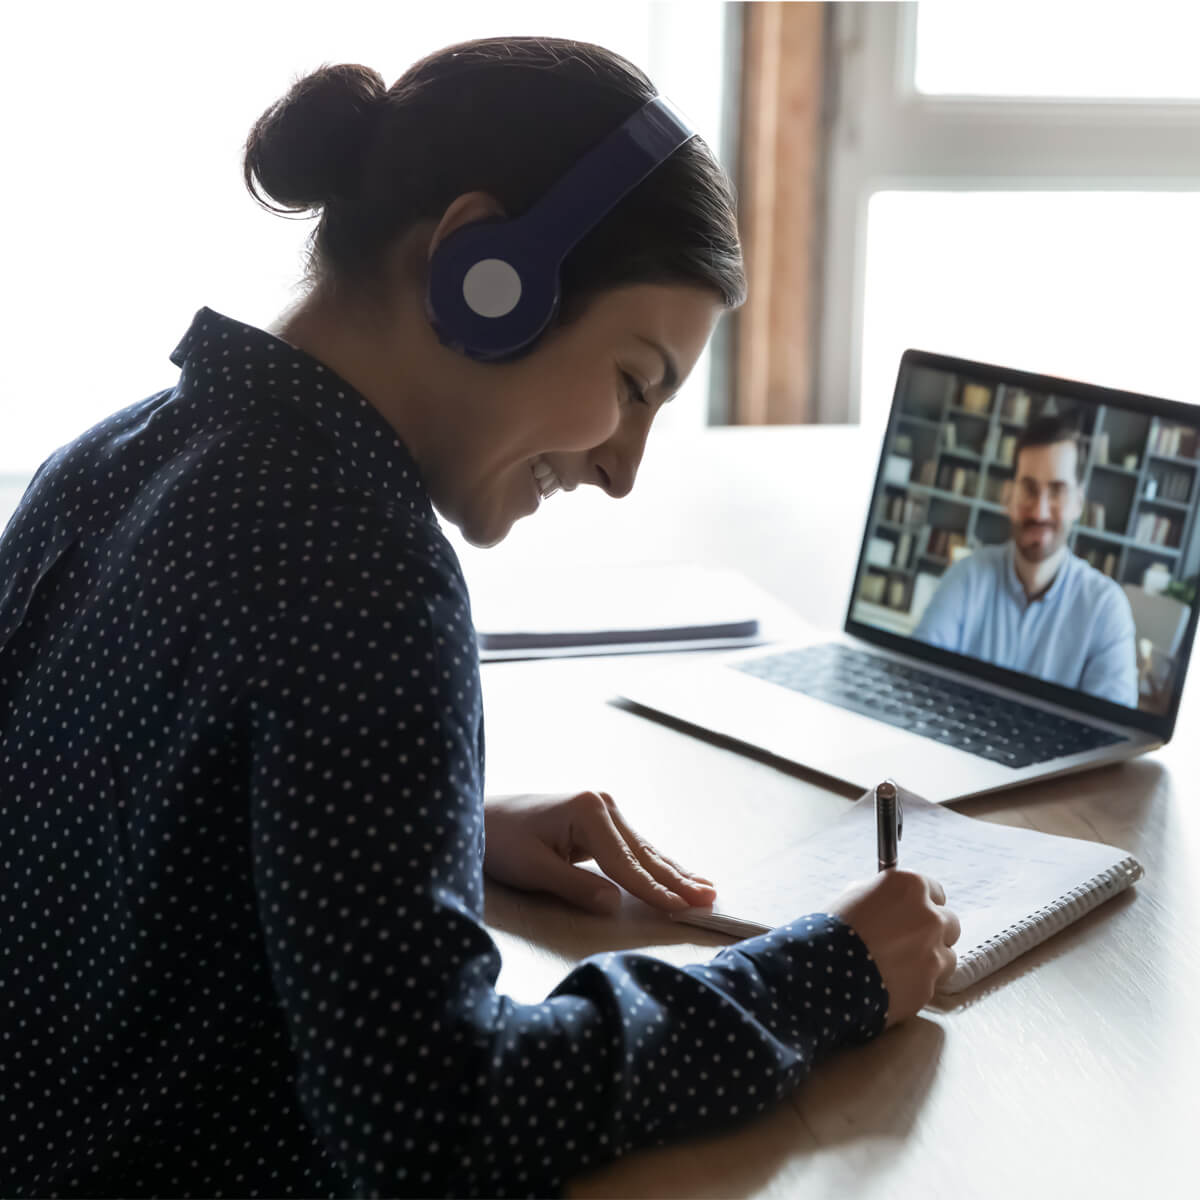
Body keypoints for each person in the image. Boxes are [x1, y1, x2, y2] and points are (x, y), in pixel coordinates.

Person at [0, 39, 960, 1198]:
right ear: (481, 270)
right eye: (635, 380)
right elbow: (441, 1125)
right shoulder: (359, 570)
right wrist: (822, 977)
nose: (624, 468)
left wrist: (401, 835)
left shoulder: (108, 459)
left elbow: (95, 823)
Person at [914, 415, 1138, 706]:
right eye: (1029, 488)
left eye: (1057, 490)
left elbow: (1112, 737)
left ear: (1078, 504)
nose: (1040, 511)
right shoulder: (965, 577)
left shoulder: (1106, 607)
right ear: (1009, 496)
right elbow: (915, 682)